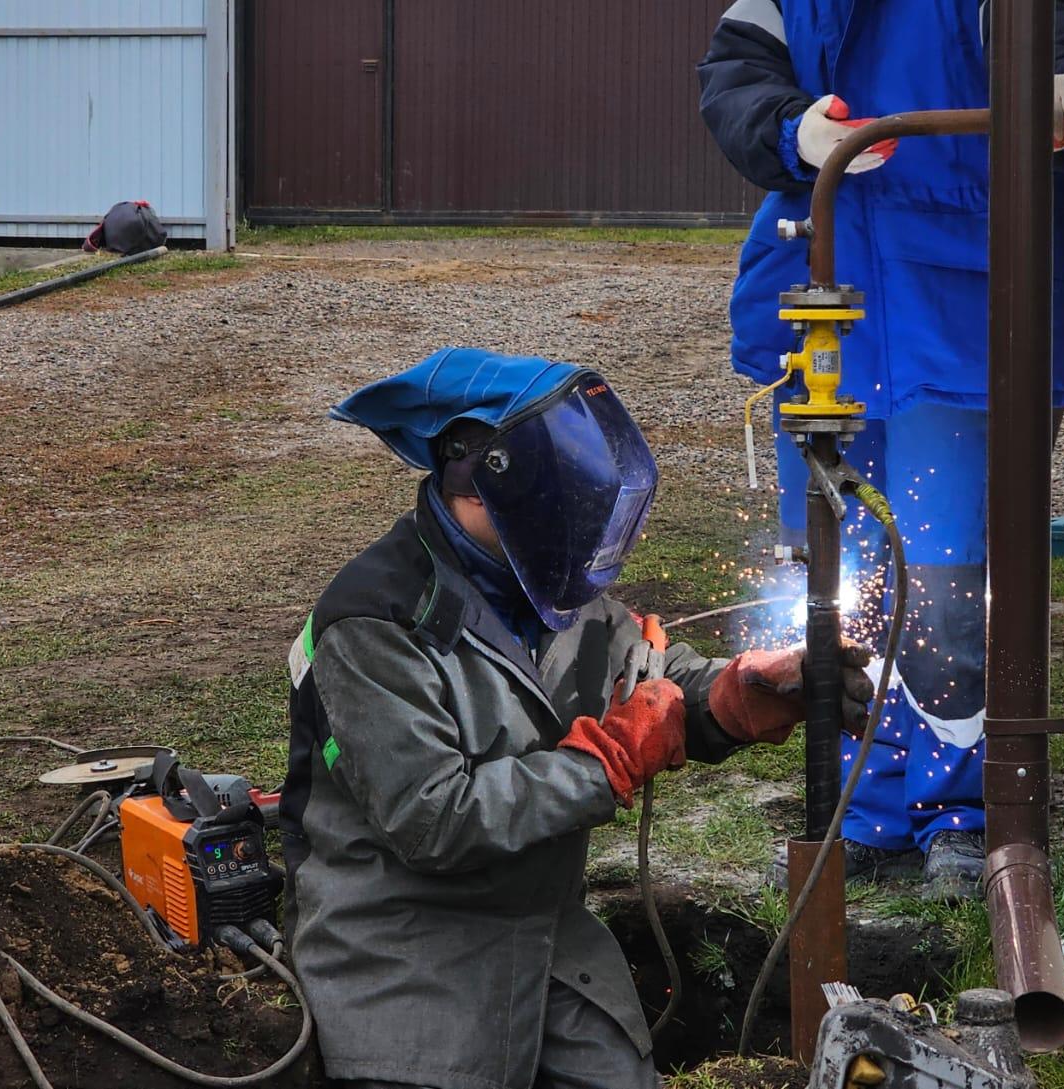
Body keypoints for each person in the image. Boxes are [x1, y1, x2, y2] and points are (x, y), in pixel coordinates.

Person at [278, 347, 872, 1089]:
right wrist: (606, 763)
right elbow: (434, 819)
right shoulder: (373, 622)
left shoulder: (541, 580)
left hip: (544, 937)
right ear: (489, 485)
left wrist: (731, 694)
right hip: (404, 948)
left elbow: (646, 680)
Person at [698, 1, 1064, 897]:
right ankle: (865, 799)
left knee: (947, 577)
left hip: (961, 303)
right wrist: (793, 128)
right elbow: (733, 76)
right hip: (828, 289)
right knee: (843, 571)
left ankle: (964, 811)